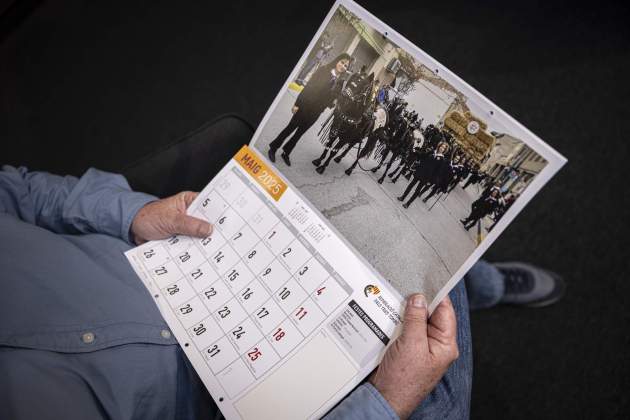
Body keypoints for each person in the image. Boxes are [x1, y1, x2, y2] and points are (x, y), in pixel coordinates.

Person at [0, 164, 564, 419]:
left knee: (388, 238)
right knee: (431, 368)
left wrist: (134, 213)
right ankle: (470, 292)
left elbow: (19, 192)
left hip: (191, 260)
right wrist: (380, 407)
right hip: (222, 405)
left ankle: (476, 285)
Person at [268, 53, 351, 166]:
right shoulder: (323, 70)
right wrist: (297, 103)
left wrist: (334, 102)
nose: (343, 66)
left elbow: (330, 100)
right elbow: (308, 87)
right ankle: (273, 147)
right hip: (305, 106)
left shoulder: (339, 82)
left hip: (316, 112)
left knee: (299, 133)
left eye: (346, 66)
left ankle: (286, 152)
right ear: (337, 60)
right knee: (290, 128)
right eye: (342, 62)